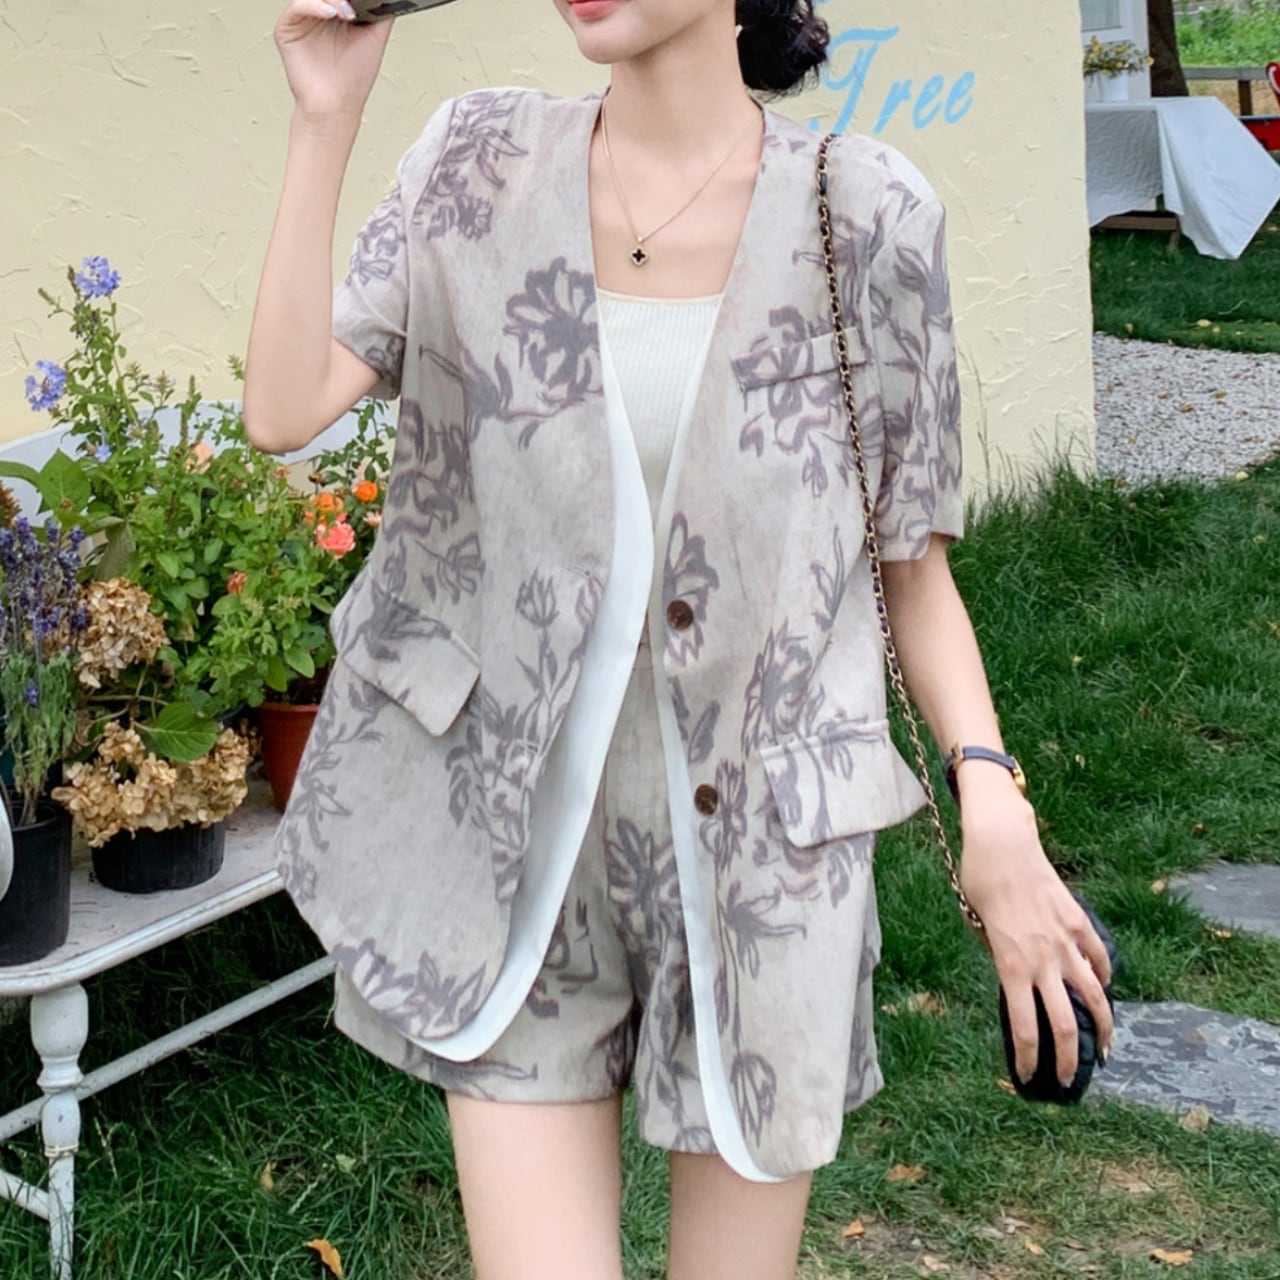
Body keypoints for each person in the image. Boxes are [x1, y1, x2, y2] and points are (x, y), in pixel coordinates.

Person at [244, 3, 1116, 1278]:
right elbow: (281, 406)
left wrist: (992, 802)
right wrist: (324, 116)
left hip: (764, 862)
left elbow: (909, 564)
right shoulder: (475, 164)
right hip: (511, 856)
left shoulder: (864, 215)